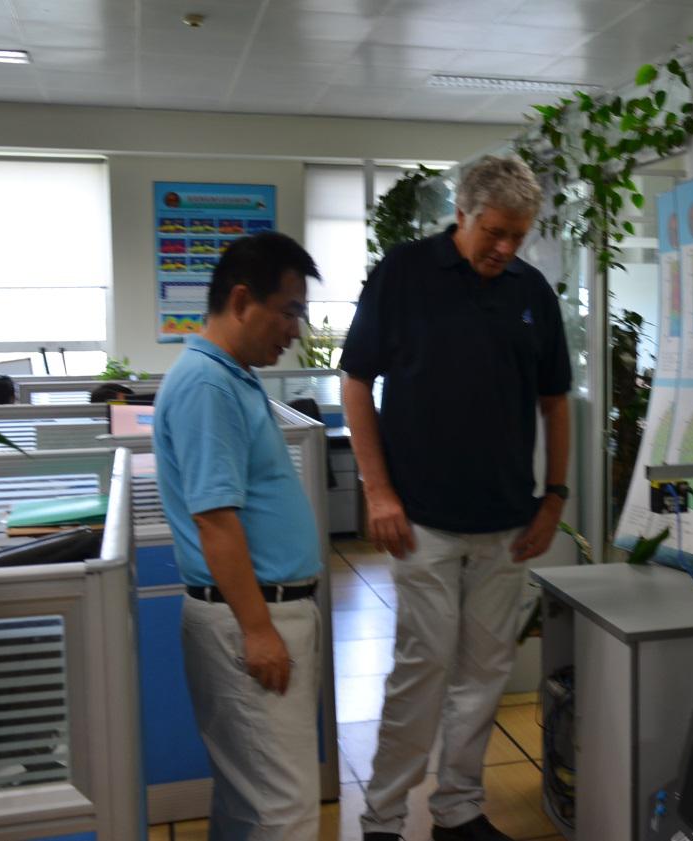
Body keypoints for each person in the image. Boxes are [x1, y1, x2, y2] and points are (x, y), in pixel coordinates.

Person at [342, 155, 572, 841]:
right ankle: (384, 819)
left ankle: (459, 810)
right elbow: (356, 382)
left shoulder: (532, 291)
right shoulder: (404, 273)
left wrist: (554, 498)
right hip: (422, 519)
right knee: (424, 668)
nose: (504, 248)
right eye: (494, 232)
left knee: (485, 672)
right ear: (462, 214)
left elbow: (555, 400)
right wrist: (378, 491)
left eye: (518, 236)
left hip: (507, 521)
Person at [153, 231, 324, 840]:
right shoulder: (208, 385)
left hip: (259, 613)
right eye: (289, 312)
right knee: (285, 812)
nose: (295, 331)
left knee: (251, 803)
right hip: (250, 617)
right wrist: (258, 630)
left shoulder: (231, 375)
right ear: (243, 301)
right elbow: (215, 520)